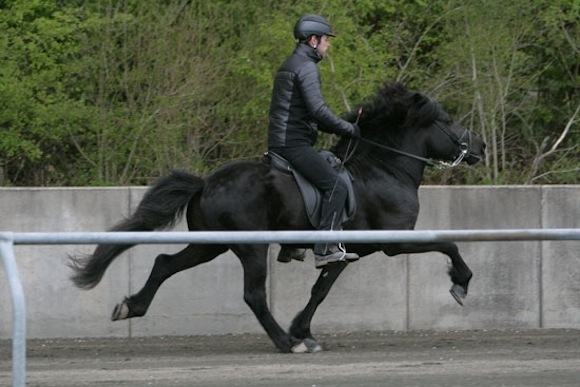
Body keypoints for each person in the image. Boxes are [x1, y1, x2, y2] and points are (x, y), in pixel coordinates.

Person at [268, 14, 360, 269]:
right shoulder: (306, 67)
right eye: (325, 41)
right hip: (293, 145)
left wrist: (340, 127)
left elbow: (307, 114)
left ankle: (291, 245)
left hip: (283, 141)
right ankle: (325, 249)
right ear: (312, 40)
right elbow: (318, 111)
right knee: (336, 187)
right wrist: (349, 128)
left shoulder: (290, 64)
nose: (328, 46)